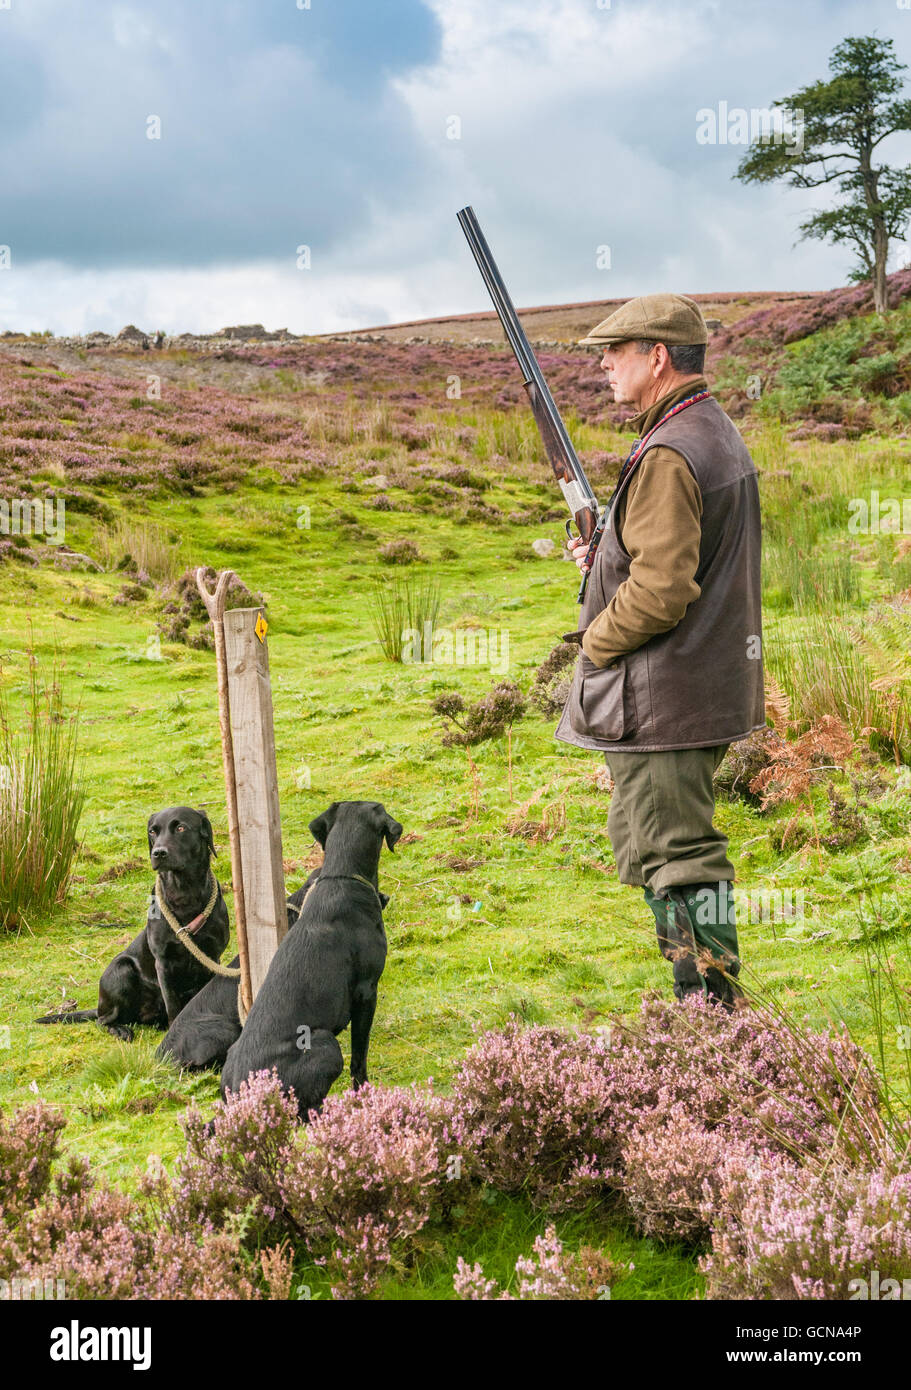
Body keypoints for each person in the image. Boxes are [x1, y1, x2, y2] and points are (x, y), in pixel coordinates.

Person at [553, 293, 764, 1007]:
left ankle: (710, 1010)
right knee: (660, 848)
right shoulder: (700, 429)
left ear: (658, 357)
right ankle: (703, 1005)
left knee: (680, 858)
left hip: (666, 696)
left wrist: (594, 644)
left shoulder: (672, 449)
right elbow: (667, 557)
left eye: (615, 351)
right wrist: (605, 550)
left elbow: (662, 590)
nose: (604, 365)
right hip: (691, 686)